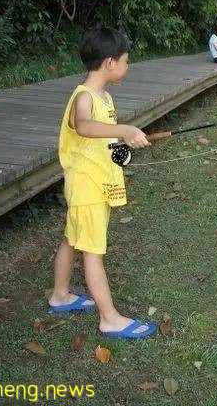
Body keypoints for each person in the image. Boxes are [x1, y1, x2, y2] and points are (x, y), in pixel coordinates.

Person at [50, 27, 157, 339]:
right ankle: (109, 318)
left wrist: (121, 148)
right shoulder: (83, 97)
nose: (128, 66)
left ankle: (59, 296)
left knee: (73, 238)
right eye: (126, 60)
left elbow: (103, 139)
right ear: (110, 62)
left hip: (96, 181)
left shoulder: (104, 97)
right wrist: (125, 129)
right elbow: (83, 125)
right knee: (93, 251)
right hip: (87, 187)